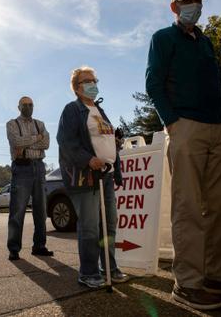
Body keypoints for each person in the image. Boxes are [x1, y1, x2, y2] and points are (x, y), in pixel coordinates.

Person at [145, 0, 221, 310]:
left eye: (198, 0)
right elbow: (153, 83)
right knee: (189, 207)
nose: (194, 5)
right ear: (174, 6)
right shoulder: (163, 38)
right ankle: (189, 284)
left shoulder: (206, 42)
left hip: (220, 129)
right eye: (187, 1)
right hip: (186, 127)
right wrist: (173, 122)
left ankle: (220, 275)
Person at [56, 66, 129, 289]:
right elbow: (66, 142)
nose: (92, 84)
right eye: (86, 81)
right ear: (77, 89)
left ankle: (109, 267)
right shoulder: (71, 110)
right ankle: (88, 273)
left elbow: (108, 142)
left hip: (105, 175)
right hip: (86, 176)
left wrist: (116, 170)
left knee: (109, 223)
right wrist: (88, 159)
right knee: (90, 226)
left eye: (94, 80)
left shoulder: (99, 110)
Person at [6, 96, 52, 261]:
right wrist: (36, 138)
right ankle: (14, 249)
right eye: (24, 104)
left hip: (39, 167)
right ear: (19, 107)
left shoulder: (40, 124)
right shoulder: (11, 124)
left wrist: (26, 144)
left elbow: (46, 143)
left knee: (41, 210)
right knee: (17, 211)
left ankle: (39, 246)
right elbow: (16, 142)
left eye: (31, 104)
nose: (28, 107)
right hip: (22, 167)